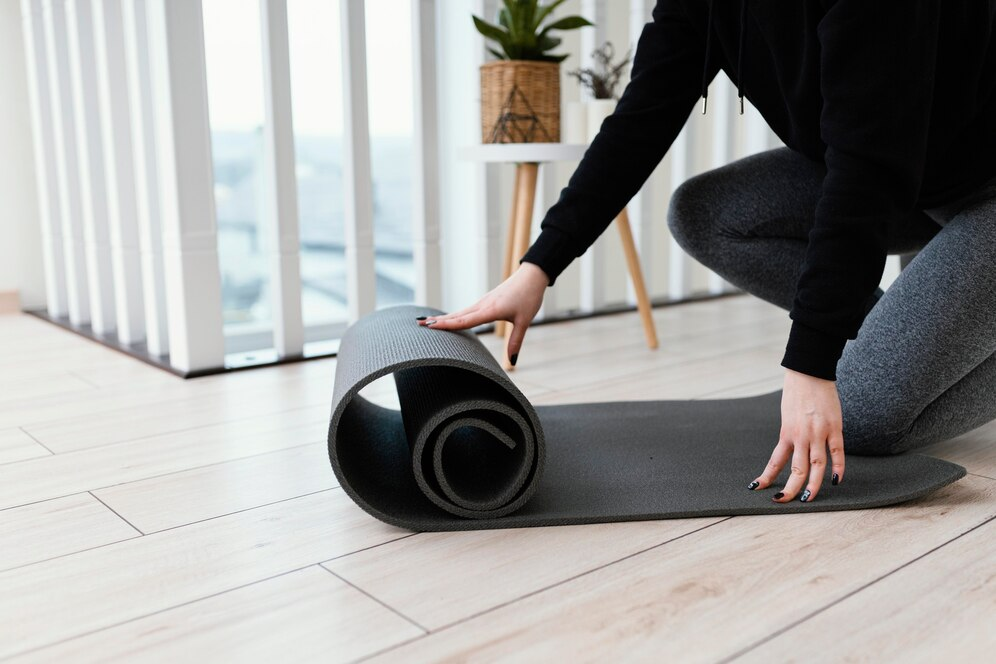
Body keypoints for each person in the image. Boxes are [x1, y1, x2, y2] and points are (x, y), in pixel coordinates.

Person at [418, 0, 996, 504]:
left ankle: (924, 345)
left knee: (863, 414)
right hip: (912, 177)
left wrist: (812, 360)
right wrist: (538, 266)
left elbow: (868, 173)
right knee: (705, 214)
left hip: (964, 183)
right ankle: (923, 339)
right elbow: (640, 120)